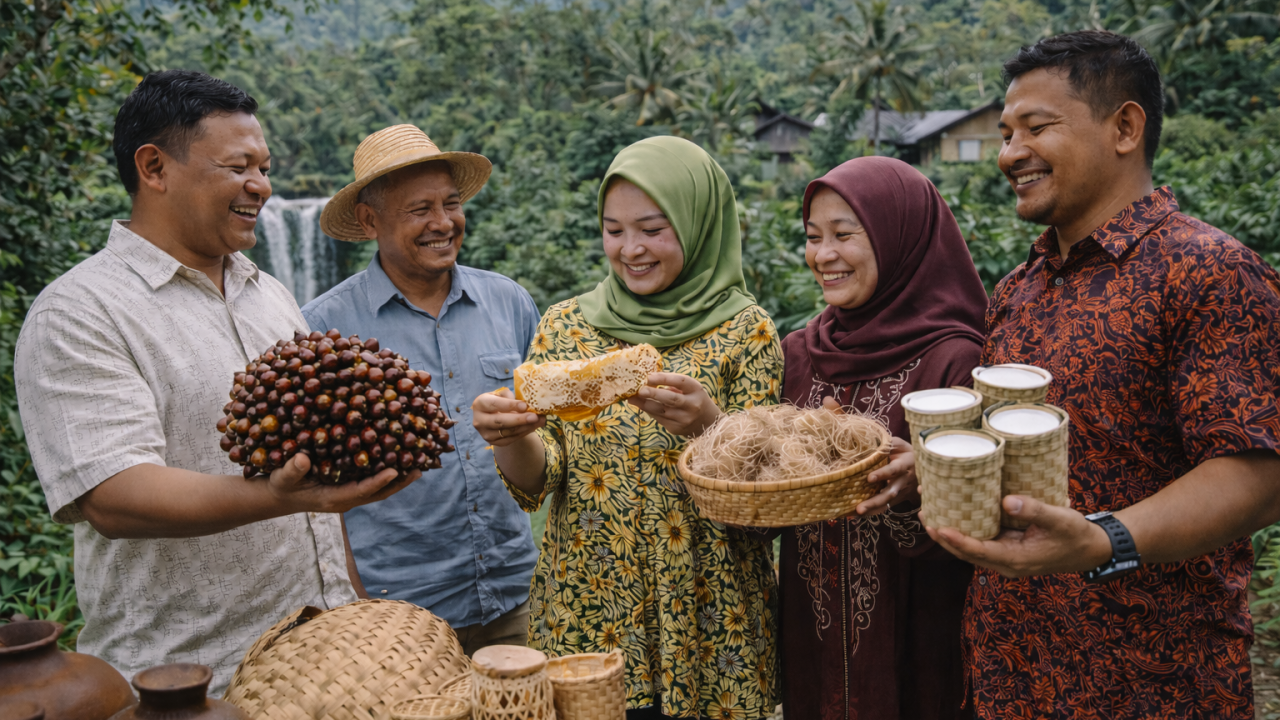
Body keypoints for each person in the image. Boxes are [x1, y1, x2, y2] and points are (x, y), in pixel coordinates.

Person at [13, 70, 412, 694]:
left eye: (266, 166)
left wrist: (356, 605)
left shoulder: (268, 292)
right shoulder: (80, 312)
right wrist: (284, 497)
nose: (263, 186)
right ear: (153, 167)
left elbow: (317, 503)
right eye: (239, 167)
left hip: (324, 660)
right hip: (191, 682)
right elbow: (113, 496)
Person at [921, 30, 1280, 719]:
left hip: (1150, 683)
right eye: (1003, 133)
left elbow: (1257, 473)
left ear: (1124, 126)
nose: (1008, 153)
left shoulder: (1207, 271)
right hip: (1009, 679)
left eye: (1036, 127)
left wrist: (1103, 539)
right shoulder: (1017, 290)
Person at [472, 136, 780, 720]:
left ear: (698, 223)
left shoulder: (748, 331)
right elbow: (541, 482)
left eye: (653, 229)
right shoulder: (566, 326)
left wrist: (711, 428)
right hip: (588, 612)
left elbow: (765, 502)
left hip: (711, 616)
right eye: (614, 230)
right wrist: (512, 437)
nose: (631, 249)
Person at [302, 124, 539, 655]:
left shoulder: (509, 302)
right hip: (399, 612)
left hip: (517, 592)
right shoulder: (322, 331)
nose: (442, 223)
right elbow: (314, 494)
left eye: (450, 204)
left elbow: (552, 444)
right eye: (418, 210)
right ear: (369, 220)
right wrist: (354, 603)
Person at [775, 157, 986, 720]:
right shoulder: (800, 351)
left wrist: (923, 477)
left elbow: (979, 514)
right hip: (812, 630)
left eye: (845, 234)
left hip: (919, 633)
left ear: (902, 239)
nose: (823, 255)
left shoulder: (956, 359)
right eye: (813, 237)